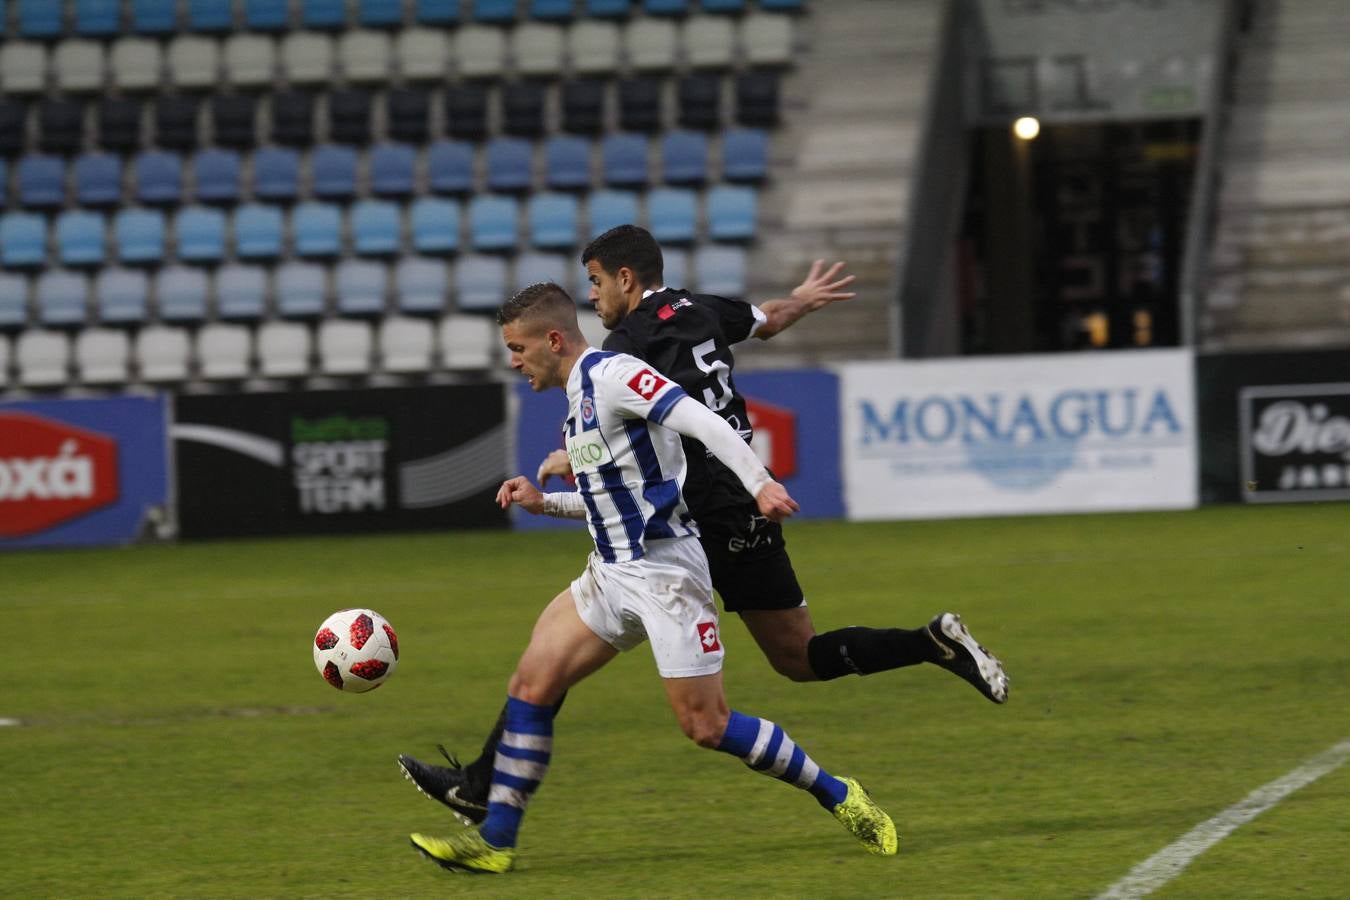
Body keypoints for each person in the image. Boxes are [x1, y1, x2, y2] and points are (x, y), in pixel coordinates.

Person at [400, 226, 1008, 825]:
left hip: (699, 504)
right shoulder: (701, 309)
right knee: (796, 657)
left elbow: (638, 416)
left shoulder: (625, 347)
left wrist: (571, 457)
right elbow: (767, 319)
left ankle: (486, 786)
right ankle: (930, 643)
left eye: (597, 282)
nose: (595, 298)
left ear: (626, 278)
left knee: (667, 691)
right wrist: (803, 298)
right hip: (738, 506)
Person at [408, 283, 897, 873]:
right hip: (609, 573)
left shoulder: (615, 375)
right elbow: (610, 500)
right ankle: (496, 842)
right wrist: (544, 504)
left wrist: (759, 482)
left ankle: (839, 794)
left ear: (553, 339)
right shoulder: (577, 399)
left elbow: (705, 422)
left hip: (667, 575)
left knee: (706, 725)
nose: (513, 360)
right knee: (532, 686)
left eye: (517, 347)